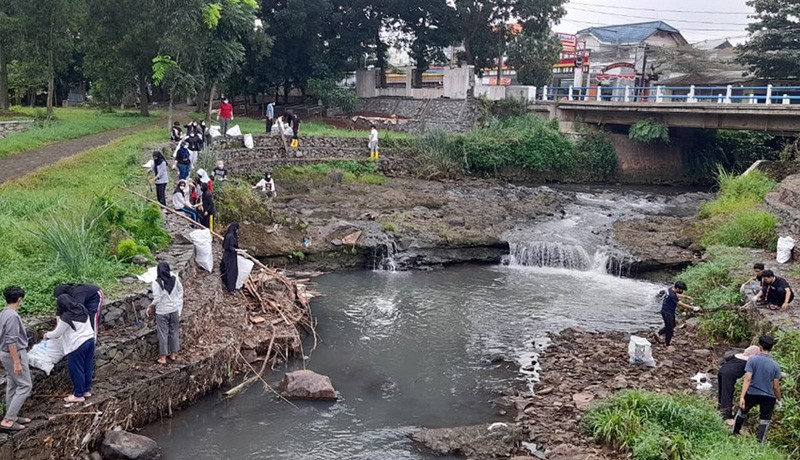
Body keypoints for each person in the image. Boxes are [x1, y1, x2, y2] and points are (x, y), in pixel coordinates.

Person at [44, 294, 95, 403]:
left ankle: (78, 395)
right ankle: (86, 390)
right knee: (87, 366)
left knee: (76, 369)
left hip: (78, 345)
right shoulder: (82, 308)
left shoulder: (67, 316)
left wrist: (47, 334)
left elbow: (57, 333)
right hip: (90, 340)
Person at [733, 335, 783, 443]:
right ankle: (760, 443)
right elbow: (775, 386)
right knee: (764, 420)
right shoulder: (775, 365)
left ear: (760, 346)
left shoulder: (753, 360)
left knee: (742, 413)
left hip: (752, 392)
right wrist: (779, 399)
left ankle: (735, 433)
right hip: (768, 396)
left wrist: (742, 397)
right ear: (771, 348)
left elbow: (747, 379)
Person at [0, 286, 32, 432]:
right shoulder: (13, 316)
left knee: (13, 384)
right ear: (19, 300)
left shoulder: (4, 313)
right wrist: (17, 361)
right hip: (14, 353)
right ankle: (8, 420)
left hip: (6, 354)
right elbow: (11, 340)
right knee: (25, 385)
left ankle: (11, 415)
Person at [146, 262, 184, 364]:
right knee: (174, 331)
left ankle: (163, 357)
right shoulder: (175, 279)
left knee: (163, 333)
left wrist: (150, 306)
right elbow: (180, 291)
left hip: (162, 312)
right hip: (174, 310)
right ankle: (173, 354)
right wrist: (178, 304)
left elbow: (157, 298)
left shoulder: (156, 283)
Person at [718, 345, 761, 424]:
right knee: (727, 393)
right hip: (729, 375)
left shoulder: (737, 357)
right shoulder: (749, 362)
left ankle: (720, 410)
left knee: (722, 392)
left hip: (722, 370)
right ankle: (726, 417)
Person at [656, 281, 697, 347]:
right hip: (667, 312)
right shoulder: (672, 295)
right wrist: (693, 308)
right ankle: (667, 344)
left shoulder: (670, 289)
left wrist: (686, 297)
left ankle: (658, 333)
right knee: (670, 329)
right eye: (681, 290)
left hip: (666, 310)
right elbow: (681, 304)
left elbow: (676, 295)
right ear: (677, 288)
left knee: (673, 325)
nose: (682, 291)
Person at [220, 223, 240, 293]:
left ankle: (229, 286)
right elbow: (230, 247)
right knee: (231, 272)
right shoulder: (231, 236)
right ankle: (230, 288)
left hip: (228, 255)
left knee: (228, 271)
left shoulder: (228, 235)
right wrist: (236, 250)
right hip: (230, 256)